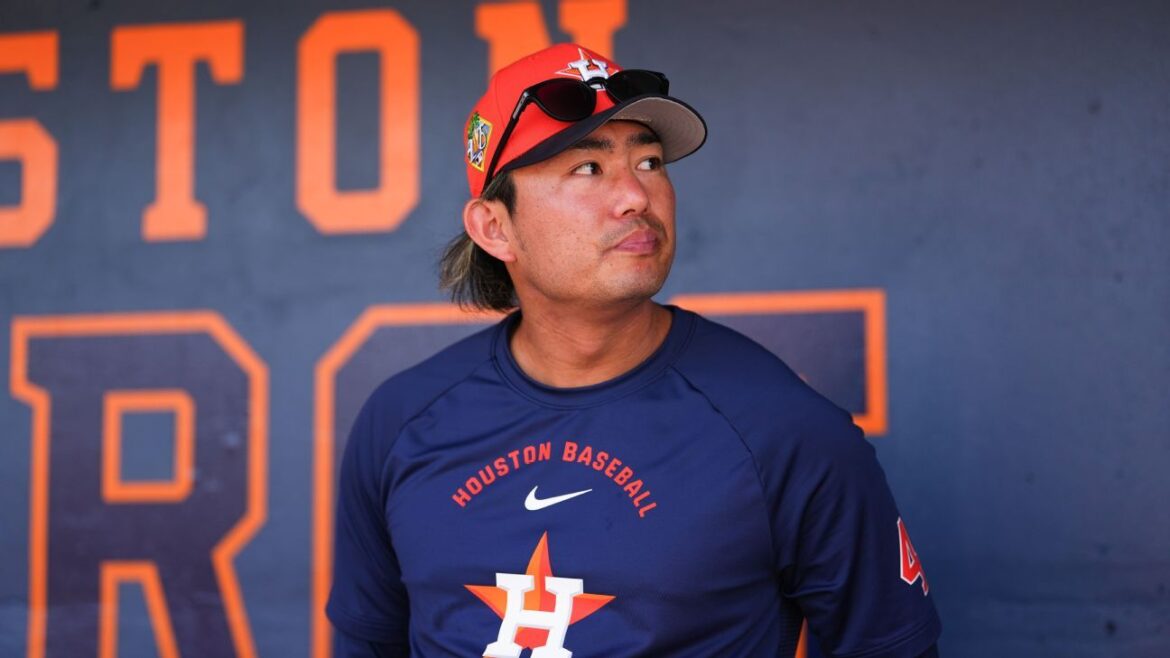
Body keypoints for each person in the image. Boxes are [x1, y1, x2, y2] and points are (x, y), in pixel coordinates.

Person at [327, 43, 941, 657]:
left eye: (649, 162)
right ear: (495, 227)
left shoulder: (782, 429)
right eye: (587, 169)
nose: (636, 196)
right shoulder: (401, 422)